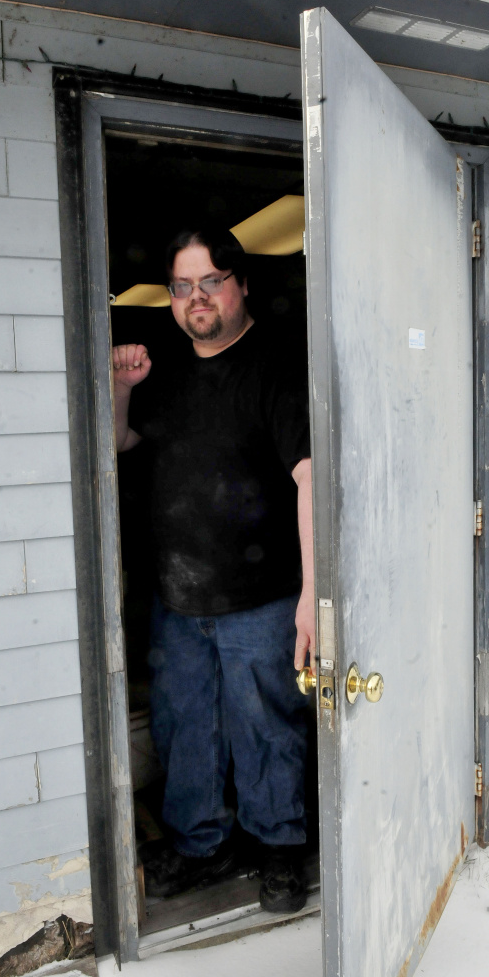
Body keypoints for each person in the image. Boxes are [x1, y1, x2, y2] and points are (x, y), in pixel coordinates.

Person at [112, 226, 315, 913]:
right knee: (183, 726)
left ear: (241, 284)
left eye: (210, 281)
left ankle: (280, 847)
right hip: (177, 597)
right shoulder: (166, 367)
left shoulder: (276, 367)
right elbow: (121, 442)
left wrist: (314, 593)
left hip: (261, 597)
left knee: (265, 726)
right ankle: (202, 845)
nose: (196, 297)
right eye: (182, 285)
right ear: (170, 296)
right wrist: (121, 386)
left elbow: (310, 477)